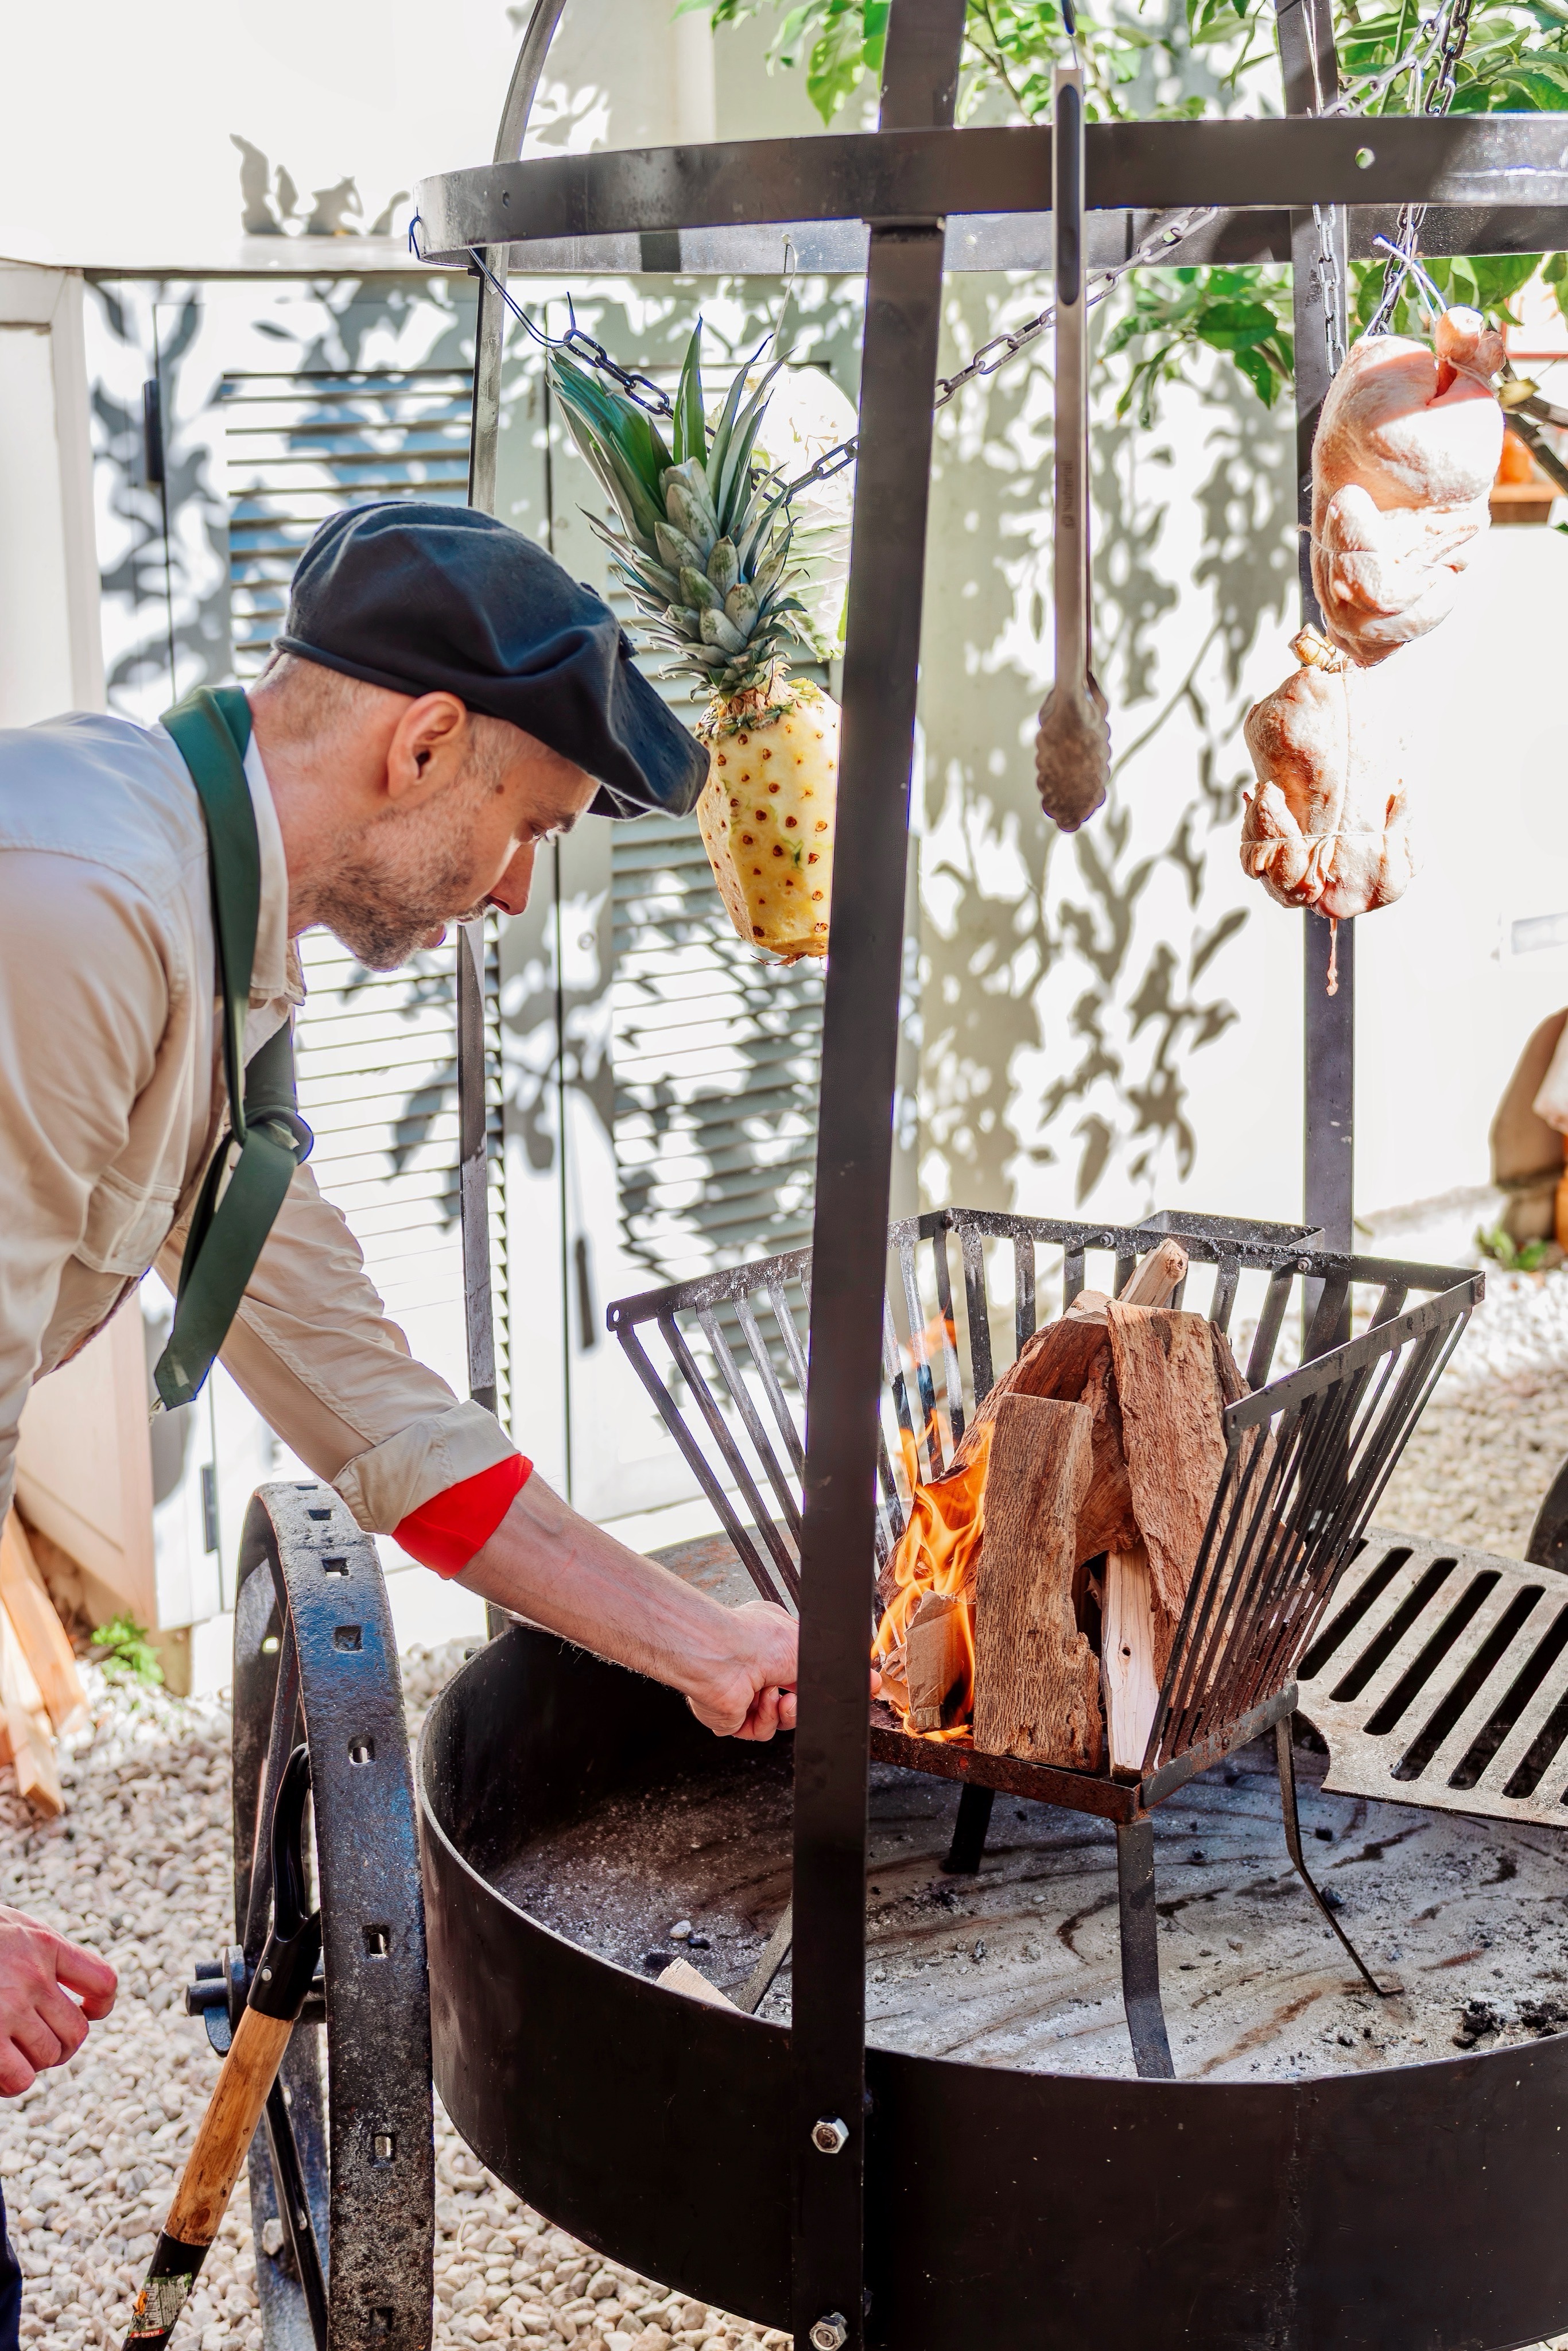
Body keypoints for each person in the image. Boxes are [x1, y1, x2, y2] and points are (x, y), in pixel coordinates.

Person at [0, 503, 801, 2306]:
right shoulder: (77, 909)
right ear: (422, 743)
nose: (513, 893)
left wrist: (702, 1643)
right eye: (528, 828)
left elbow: (373, 1411)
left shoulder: (203, 935)